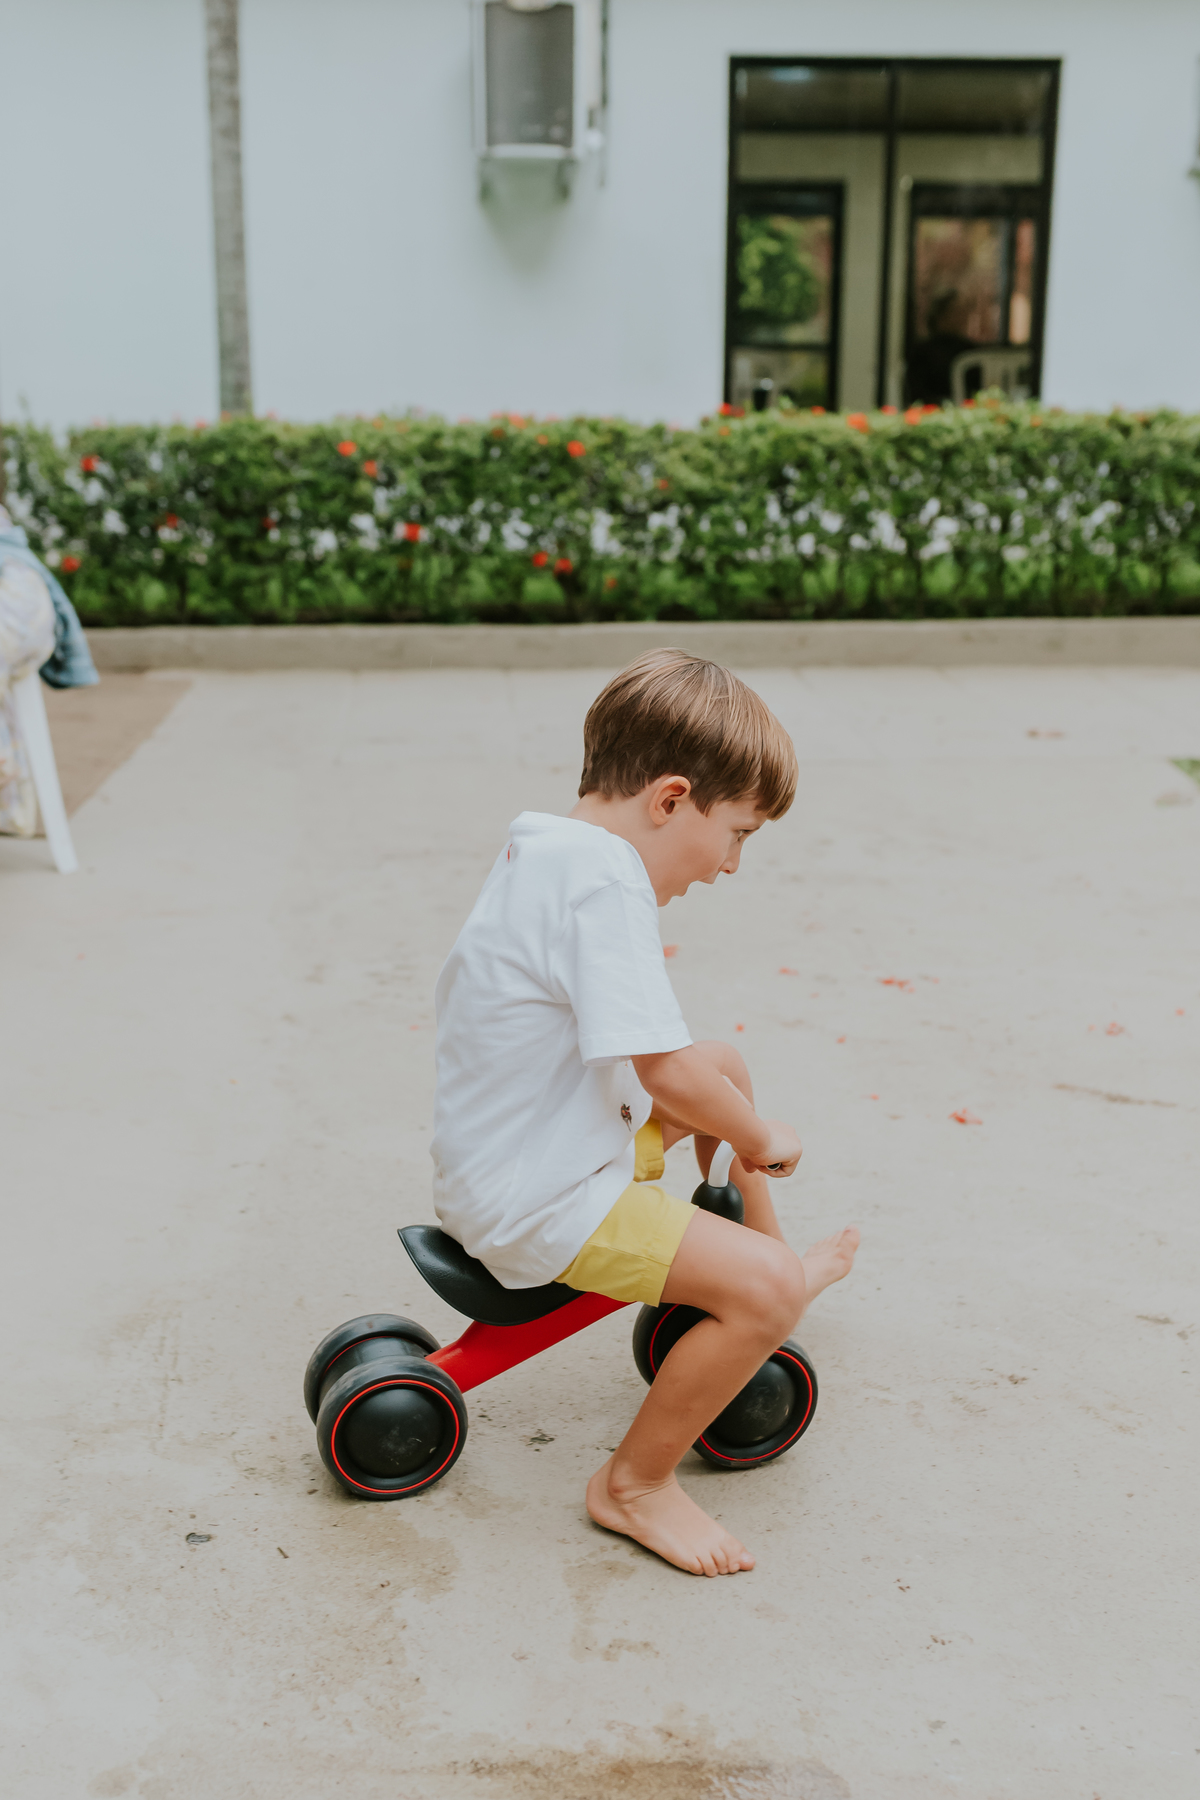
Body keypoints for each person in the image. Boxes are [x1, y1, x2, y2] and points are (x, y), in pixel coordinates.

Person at [430, 649, 859, 1576]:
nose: (733, 865)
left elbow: (666, 1063)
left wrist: (729, 1106)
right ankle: (635, 1483)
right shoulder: (606, 882)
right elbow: (663, 1072)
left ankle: (763, 1272)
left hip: (518, 1149)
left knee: (728, 1065)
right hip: (545, 1198)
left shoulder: (548, 849)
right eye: (737, 832)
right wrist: (759, 1139)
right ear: (670, 800)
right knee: (731, 1124)